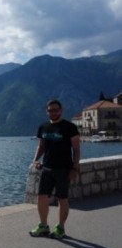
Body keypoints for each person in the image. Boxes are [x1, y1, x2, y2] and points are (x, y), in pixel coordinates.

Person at [29, 99, 80, 239]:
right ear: (47, 112)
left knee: (62, 198)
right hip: (47, 169)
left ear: (61, 110)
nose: (53, 112)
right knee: (41, 197)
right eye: (50, 110)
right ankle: (43, 226)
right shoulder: (43, 127)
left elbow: (76, 150)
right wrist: (35, 160)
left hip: (63, 170)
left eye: (56, 110)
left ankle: (60, 228)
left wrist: (74, 169)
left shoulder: (69, 127)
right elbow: (41, 146)